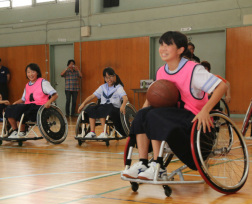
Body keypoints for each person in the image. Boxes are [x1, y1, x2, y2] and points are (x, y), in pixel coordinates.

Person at [122, 31, 228, 180]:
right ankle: (143, 163)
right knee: (143, 114)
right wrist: (142, 113)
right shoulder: (161, 71)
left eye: (168, 45)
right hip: (171, 118)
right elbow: (154, 96)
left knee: (153, 115)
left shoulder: (194, 69)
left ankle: (158, 166)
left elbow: (221, 86)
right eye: (161, 45)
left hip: (193, 122)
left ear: (180, 50)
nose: (163, 48)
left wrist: (205, 111)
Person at [4, 63, 57, 138]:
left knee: (22, 110)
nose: (30, 74)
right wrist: (15, 103)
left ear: (37, 72)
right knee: (9, 108)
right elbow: (23, 99)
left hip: (39, 107)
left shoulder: (43, 82)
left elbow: (55, 95)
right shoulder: (27, 85)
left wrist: (49, 102)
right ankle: (15, 131)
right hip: (28, 106)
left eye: (33, 72)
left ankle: (22, 131)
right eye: (28, 72)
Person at [78, 67, 128, 138]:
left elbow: (125, 98)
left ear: (114, 76)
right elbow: (92, 96)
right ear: (104, 78)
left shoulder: (118, 87)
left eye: (110, 77)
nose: (109, 79)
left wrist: (123, 106)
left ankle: (104, 132)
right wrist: (83, 104)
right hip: (104, 107)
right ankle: (92, 132)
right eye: (106, 78)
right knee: (90, 109)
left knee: (102, 109)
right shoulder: (102, 87)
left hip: (115, 109)